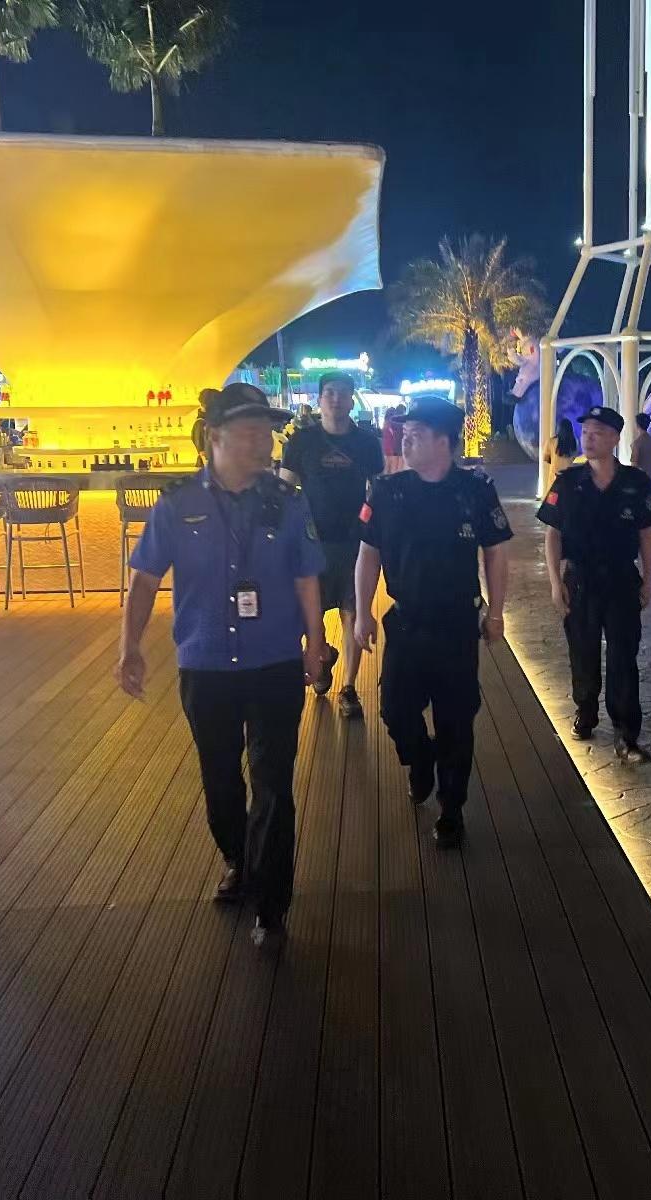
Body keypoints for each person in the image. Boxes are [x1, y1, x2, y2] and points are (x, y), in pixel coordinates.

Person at [118, 382, 327, 949]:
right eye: (251, 432)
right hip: (205, 661)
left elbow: (307, 576)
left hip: (274, 659)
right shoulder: (177, 504)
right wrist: (129, 645)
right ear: (215, 437)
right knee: (220, 778)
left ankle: (271, 906)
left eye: (268, 432)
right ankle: (238, 857)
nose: (264, 443)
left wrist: (315, 642)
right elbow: (145, 578)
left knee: (274, 782)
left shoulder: (288, 502)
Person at [354, 397, 511, 850]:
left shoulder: (475, 489)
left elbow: (496, 553)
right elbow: (368, 554)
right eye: (404, 434)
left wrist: (496, 612)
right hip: (407, 622)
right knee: (394, 711)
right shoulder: (386, 491)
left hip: (457, 624)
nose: (405, 442)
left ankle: (451, 809)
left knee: (456, 720)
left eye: (416, 434)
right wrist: (363, 611)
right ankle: (420, 759)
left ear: (444, 441)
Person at [539, 405, 651, 763]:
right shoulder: (568, 482)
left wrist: (648, 580)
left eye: (597, 432)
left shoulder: (634, 483)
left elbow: (647, 534)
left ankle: (626, 733)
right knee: (583, 650)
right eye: (585, 432)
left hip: (621, 579)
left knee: (623, 655)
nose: (588, 438)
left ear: (614, 438)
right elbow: (552, 534)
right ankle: (586, 710)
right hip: (580, 579)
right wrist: (555, 582)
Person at [280, 371, 385, 718]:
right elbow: (283, 491)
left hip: (355, 545)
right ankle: (323, 654)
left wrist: (377, 530)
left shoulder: (367, 443)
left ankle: (349, 688)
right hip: (310, 545)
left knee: (353, 613)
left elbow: (379, 490)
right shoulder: (301, 442)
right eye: (330, 393)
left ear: (352, 400)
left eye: (342, 393)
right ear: (319, 398)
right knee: (309, 614)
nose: (336, 399)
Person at [543, 417, 579, 492]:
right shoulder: (574, 442)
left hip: (554, 478)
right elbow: (574, 458)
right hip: (569, 478)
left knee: (553, 498)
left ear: (558, 429)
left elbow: (547, 459)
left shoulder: (551, 441)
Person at [381, 405, 405, 474]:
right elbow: (388, 445)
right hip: (391, 456)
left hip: (394, 455)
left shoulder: (391, 427)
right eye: (392, 415)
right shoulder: (388, 427)